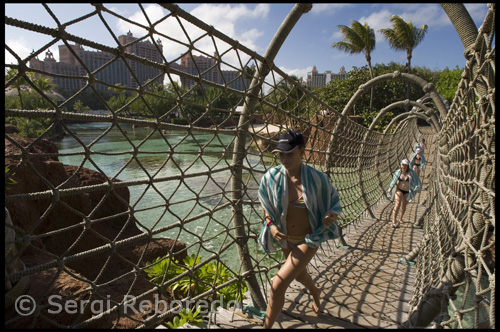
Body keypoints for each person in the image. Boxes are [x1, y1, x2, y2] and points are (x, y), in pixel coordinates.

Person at [257, 129, 341, 328]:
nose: (285, 159)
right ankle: (315, 291)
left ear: (302, 151)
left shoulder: (317, 178)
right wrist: (270, 226)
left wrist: (330, 216)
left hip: (309, 239)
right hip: (286, 239)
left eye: (290, 153)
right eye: (281, 154)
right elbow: (264, 201)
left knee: (277, 286)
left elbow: (334, 201)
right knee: (299, 273)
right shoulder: (272, 177)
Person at [386, 159, 421, 228]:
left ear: (408, 166)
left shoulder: (412, 173)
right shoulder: (398, 172)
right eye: (403, 165)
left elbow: (417, 180)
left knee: (403, 206)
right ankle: (393, 221)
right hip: (399, 190)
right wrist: (390, 189)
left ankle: (400, 218)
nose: (404, 166)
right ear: (401, 165)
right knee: (397, 204)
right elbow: (393, 181)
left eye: (405, 165)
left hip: (407, 191)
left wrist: (417, 187)